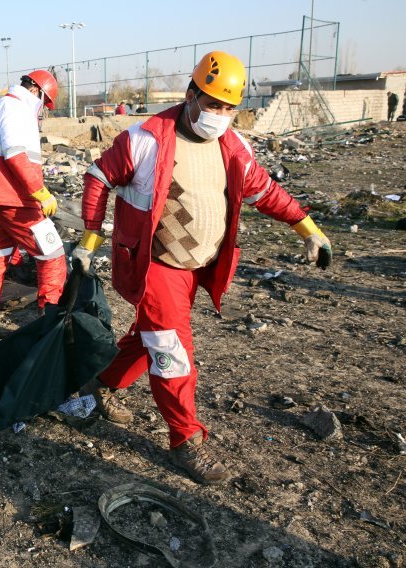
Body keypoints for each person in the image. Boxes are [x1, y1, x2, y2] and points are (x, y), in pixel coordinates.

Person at [72, 51, 332, 485]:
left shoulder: (233, 146)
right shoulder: (146, 139)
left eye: (229, 108)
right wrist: (90, 239)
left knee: (150, 337)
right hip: (156, 265)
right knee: (173, 351)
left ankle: (99, 381)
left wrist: (308, 228)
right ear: (191, 95)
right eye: (213, 104)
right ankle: (185, 439)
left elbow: (265, 190)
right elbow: (98, 177)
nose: (220, 115)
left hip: (197, 267)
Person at [0, 70, 65, 335]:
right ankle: (50, 326)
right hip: (15, 200)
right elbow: (15, 155)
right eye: (44, 102)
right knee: (52, 255)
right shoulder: (17, 108)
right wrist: (40, 192)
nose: (42, 109)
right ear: (36, 91)